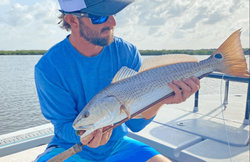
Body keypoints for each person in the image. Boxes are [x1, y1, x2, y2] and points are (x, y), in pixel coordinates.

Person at [34, 0, 200, 161]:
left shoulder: (126, 52)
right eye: (100, 16)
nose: (113, 22)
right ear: (72, 20)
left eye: (112, 13)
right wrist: (84, 136)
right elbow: (64, 126)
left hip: (118, 144)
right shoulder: (49, 67)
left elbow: (135, 125)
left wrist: (162, 100)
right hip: (70, 148)